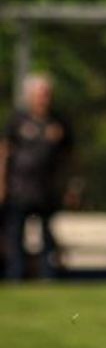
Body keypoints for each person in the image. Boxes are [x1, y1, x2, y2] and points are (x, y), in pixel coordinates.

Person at [1, 73, 78, 282]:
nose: (45, 98)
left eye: (47, 94)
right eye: (40, 94)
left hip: (47, 189)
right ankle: (14, 278)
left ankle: (48, 278)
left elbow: (70, 157)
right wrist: (1, 184)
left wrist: (72, 187)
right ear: (30, 96)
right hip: (18, 189)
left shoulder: (59, 123)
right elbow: (4, 152)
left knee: (48, 236)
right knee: (15, 234)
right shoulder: (17, 120)